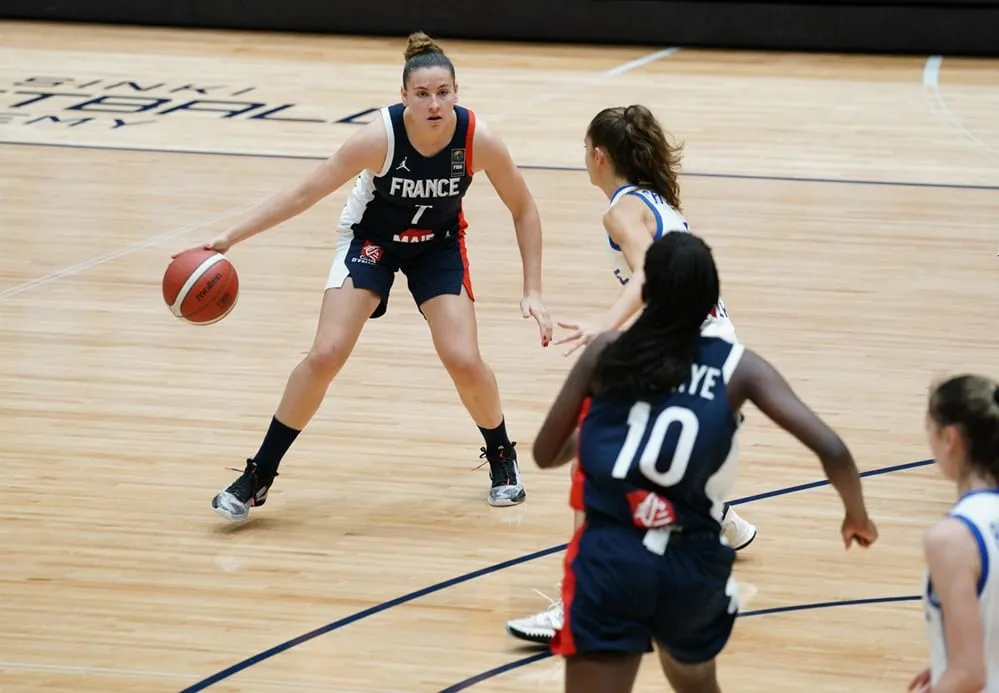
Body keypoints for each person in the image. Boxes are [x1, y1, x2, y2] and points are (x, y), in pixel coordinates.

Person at [178, 31, 554, 521]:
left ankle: (502, 456)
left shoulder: (477, 140)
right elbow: (302, 194)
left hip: (436, 247)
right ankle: (259, 475)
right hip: (369, 242)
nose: (434, 103)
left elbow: (524, 208)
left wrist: (533, 290)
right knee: (325, 354)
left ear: (457, 93)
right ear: (404, 97)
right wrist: (232, 236)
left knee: (462, 358)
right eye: (422, 94)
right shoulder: (379, 137)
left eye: (443, 93)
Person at [528, 231, 877, 693]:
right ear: (711, 298)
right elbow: (832, 449)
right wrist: (857, 514)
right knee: (695, 682)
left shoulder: (606, 351)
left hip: (611, 560)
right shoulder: (738, 367)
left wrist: (598, 430)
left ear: (645, 292)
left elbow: (543, 453)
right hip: (689, 564)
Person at [506, 104, 755, 644]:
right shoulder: (657, 200)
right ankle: (720, 518)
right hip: (718, 345)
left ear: (599, 156)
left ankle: (577, 607)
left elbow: (651, 274)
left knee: (599, 464)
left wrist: (604, 327)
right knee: (652, 459)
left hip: (690, 352)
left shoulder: (620, 209)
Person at [909, 374, 999, 693]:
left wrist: (953, 671)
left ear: (950, 439)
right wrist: (945, 659)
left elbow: (970, 675)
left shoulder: (951, 538)